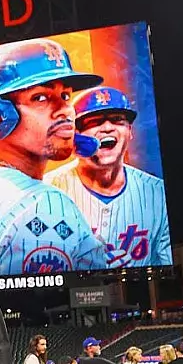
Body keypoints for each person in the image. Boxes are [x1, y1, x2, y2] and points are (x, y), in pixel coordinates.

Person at [0, 38, 108, 277]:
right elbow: (40, 307)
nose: (65, 110)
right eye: (40, 97)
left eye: (66, 96)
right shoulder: (39, 204)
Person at [44, 86, 172, 268]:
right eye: (93, 122)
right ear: (74, 136)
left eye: (117, 120)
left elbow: (167, 266)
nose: (107, 128)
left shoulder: (158, 193)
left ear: (130, 131)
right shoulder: (46, 191)